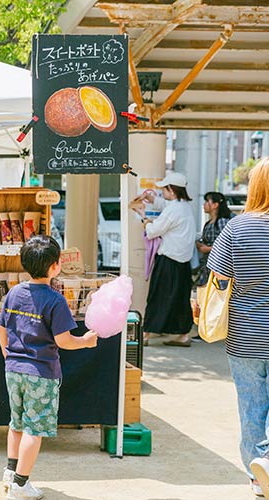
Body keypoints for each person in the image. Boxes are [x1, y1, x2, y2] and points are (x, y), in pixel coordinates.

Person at [0, 235, 97, 500]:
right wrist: (86, 342)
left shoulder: (14, 292)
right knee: (34, 429)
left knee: (16, 422)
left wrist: (8, 354)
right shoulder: (55, 300)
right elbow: (64, 341)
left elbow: (1, 326)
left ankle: (10, 472)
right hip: (41, 373)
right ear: (55, 266)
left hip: (13, 370)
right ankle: (20, 484)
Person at [207, 157, 269, 498]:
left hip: (245, 336)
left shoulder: (236, 228)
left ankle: (257, 474)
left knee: (251, 407)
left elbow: (217, 278)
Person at [135, 172, 197, 347]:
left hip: (168, 259)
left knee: (157, 296)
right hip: (183, 261)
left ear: (172, 190)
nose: (163, 192)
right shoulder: (184, 206)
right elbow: (167, 206)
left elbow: (154, 230)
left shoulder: (174, 209)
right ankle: (182, 335)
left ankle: (146, 334)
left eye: (164, 189)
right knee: (180, 298)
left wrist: (143, 217)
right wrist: (152, 199)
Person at [195, 191, 232, 286]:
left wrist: (208, 248)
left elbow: (228, 244)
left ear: (215, 205)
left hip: (219, 266)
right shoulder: (209, 223)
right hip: (208, 265)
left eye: (207, 201)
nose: (204, 204)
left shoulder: (222, 222)